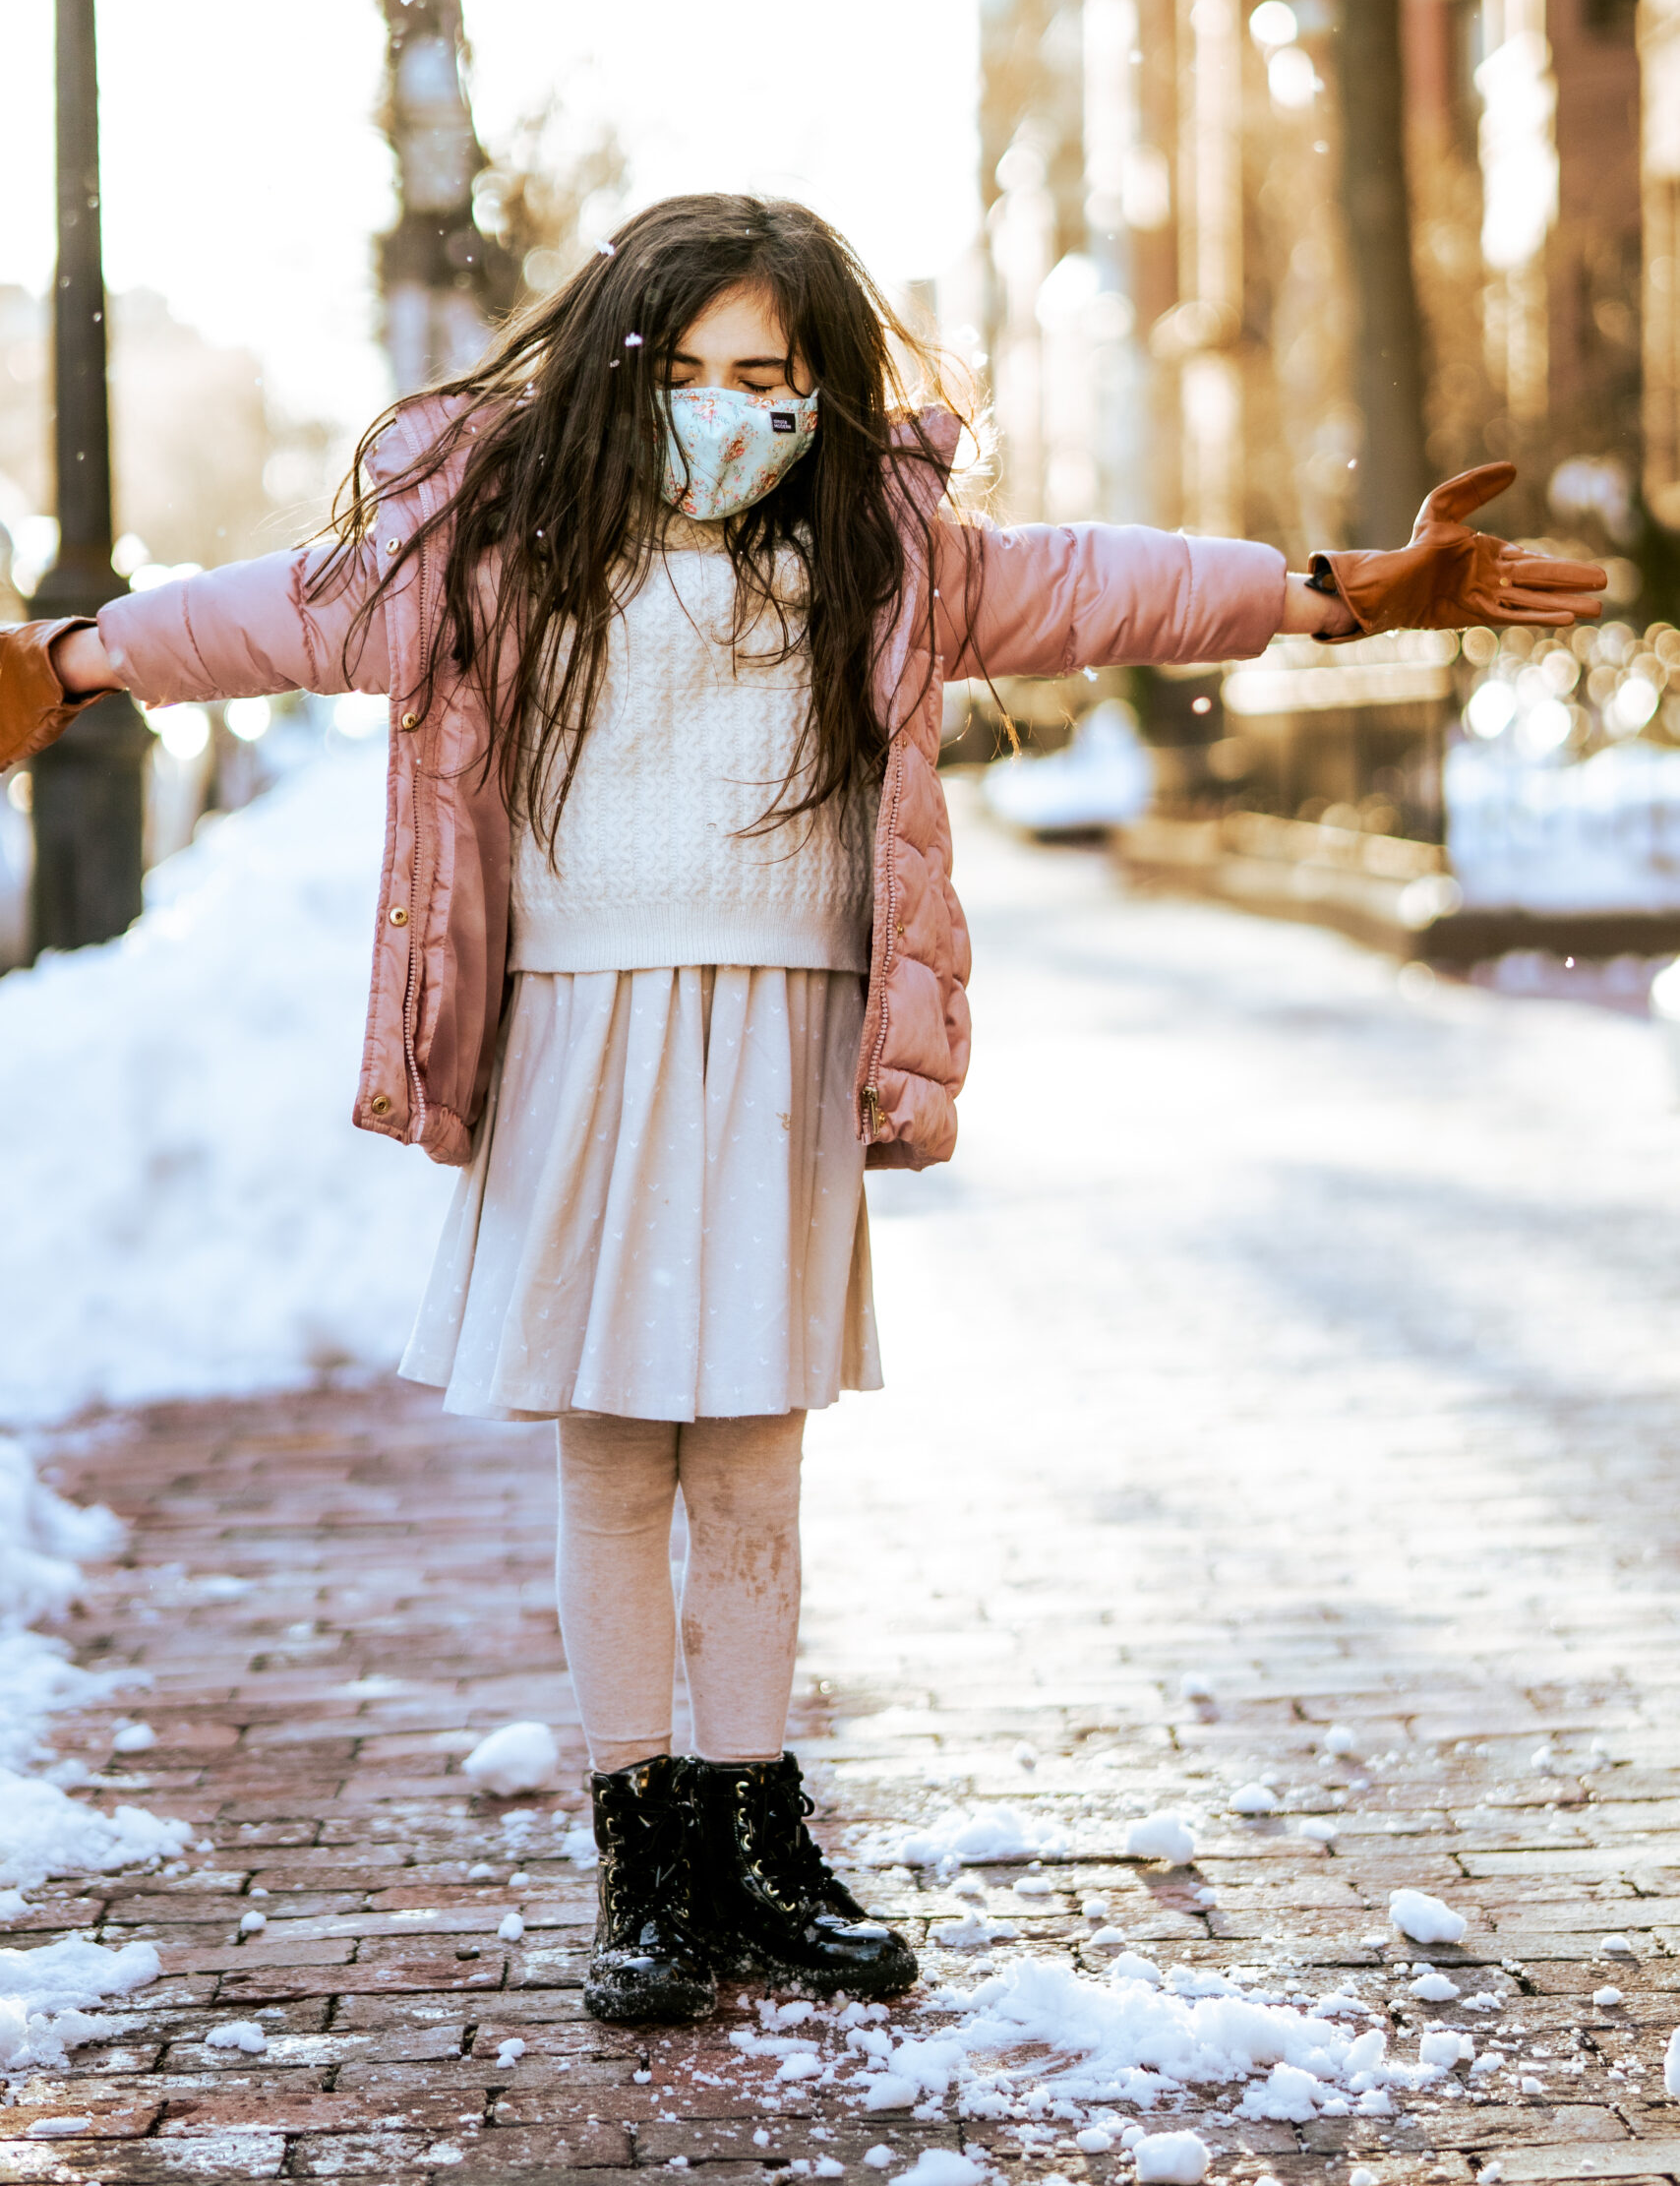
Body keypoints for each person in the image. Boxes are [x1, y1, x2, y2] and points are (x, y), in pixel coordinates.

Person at [0, 192, 1604, 2026]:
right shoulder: (494, 544)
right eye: (684, 370)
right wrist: (71, 655)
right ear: (618, 374)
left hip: (782, 1034)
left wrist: (1323, 593)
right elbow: (278, 610)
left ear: (820, 391)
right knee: (615, 1450)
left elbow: (1102, 583)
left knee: (753, 1448)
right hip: (581, 1036)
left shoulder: (880, 554)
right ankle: (644, 1870)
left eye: (765, 375)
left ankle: (759, 1842)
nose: (724, 408)